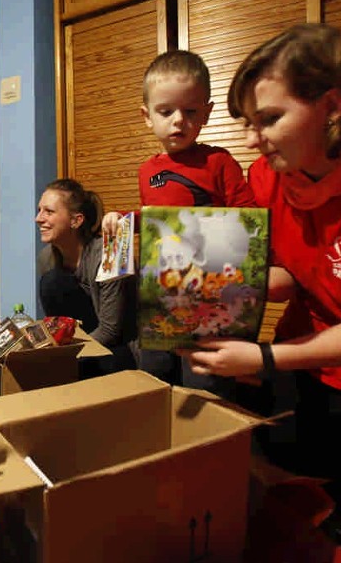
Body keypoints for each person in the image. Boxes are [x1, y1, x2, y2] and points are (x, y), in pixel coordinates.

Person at [185, 24, 341, 539]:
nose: (253, 140)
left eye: (270, 120)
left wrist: (266, 357)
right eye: (249, 123)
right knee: (207, 402)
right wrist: (212, 293)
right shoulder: (267, 177)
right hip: (305, 357)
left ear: (334, 106)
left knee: (291, 441)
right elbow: (287, 275)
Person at [102, 49, 257, 388]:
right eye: (165, 111)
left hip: (210, 292)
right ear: (147, 116)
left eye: (190, 111)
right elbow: (153, 219)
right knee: (156, 371)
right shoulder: (147, 170)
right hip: (162, 291)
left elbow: (249, 220)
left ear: (206, 113)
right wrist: (121, 219)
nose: (178, 120)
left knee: (203, 380)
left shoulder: (218, 162)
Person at [36, 179, 138, 378]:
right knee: (52, 281)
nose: (38, 218)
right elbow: (57, 323)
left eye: (49, 212)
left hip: (120, 346)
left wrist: (66, 357)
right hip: (86, 340)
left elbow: (111, 330)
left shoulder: (110, 254)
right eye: (39, 210)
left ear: (76, 220)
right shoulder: (47, 257)